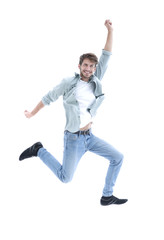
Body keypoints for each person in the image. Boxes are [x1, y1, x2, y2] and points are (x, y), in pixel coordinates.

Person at [19, 20, 128, 206]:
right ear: (79, 66)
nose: (88, 69)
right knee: (65, 178)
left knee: (118, 157)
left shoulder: (96, 80)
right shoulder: (69, 83)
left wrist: (110, 30)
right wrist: (33, 113)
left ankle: (107, 195)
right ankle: (39, 150)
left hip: (90, 137)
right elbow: (48, 97)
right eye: (85, 65)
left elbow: (107, 55)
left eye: (92, 66)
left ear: (94, 68)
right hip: (73, 139)